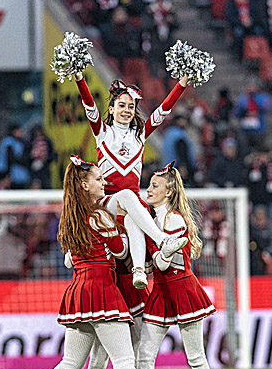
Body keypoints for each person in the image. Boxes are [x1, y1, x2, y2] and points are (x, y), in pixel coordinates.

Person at [33, 157, 152, 369]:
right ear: (84, 185)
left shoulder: (70, 218)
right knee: (124, 359)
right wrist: (128, 230)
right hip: (101, 288)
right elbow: (121, 251)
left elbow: (71, 259)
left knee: (70, 363)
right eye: (98, 179)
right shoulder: (99, 216)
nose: (104, 182)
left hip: (78, 290)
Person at [73, 68, 190, 290]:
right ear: (111, 109)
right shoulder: (102, 132)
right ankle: (162, 240)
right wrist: (79, 78)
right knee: (127, 196)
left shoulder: (140, 135)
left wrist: (182, 82)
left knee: (132, 216)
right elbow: (89, 104)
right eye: (122, 105)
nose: (126, 110)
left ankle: (138, 271)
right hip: (107, 203)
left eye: (131, 106)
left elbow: (164, 109)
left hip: (132, 206)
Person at [136, 163, 216, 369]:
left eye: (154, 186)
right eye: (149, 185)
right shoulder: (150, 222)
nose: (148, 189)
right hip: (160, 291)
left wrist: (160, 255)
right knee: (145, 355)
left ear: (169, 191)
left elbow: (162, 263)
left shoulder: (175, 220)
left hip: (182, 289)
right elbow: (154, 265)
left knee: (196, 357)